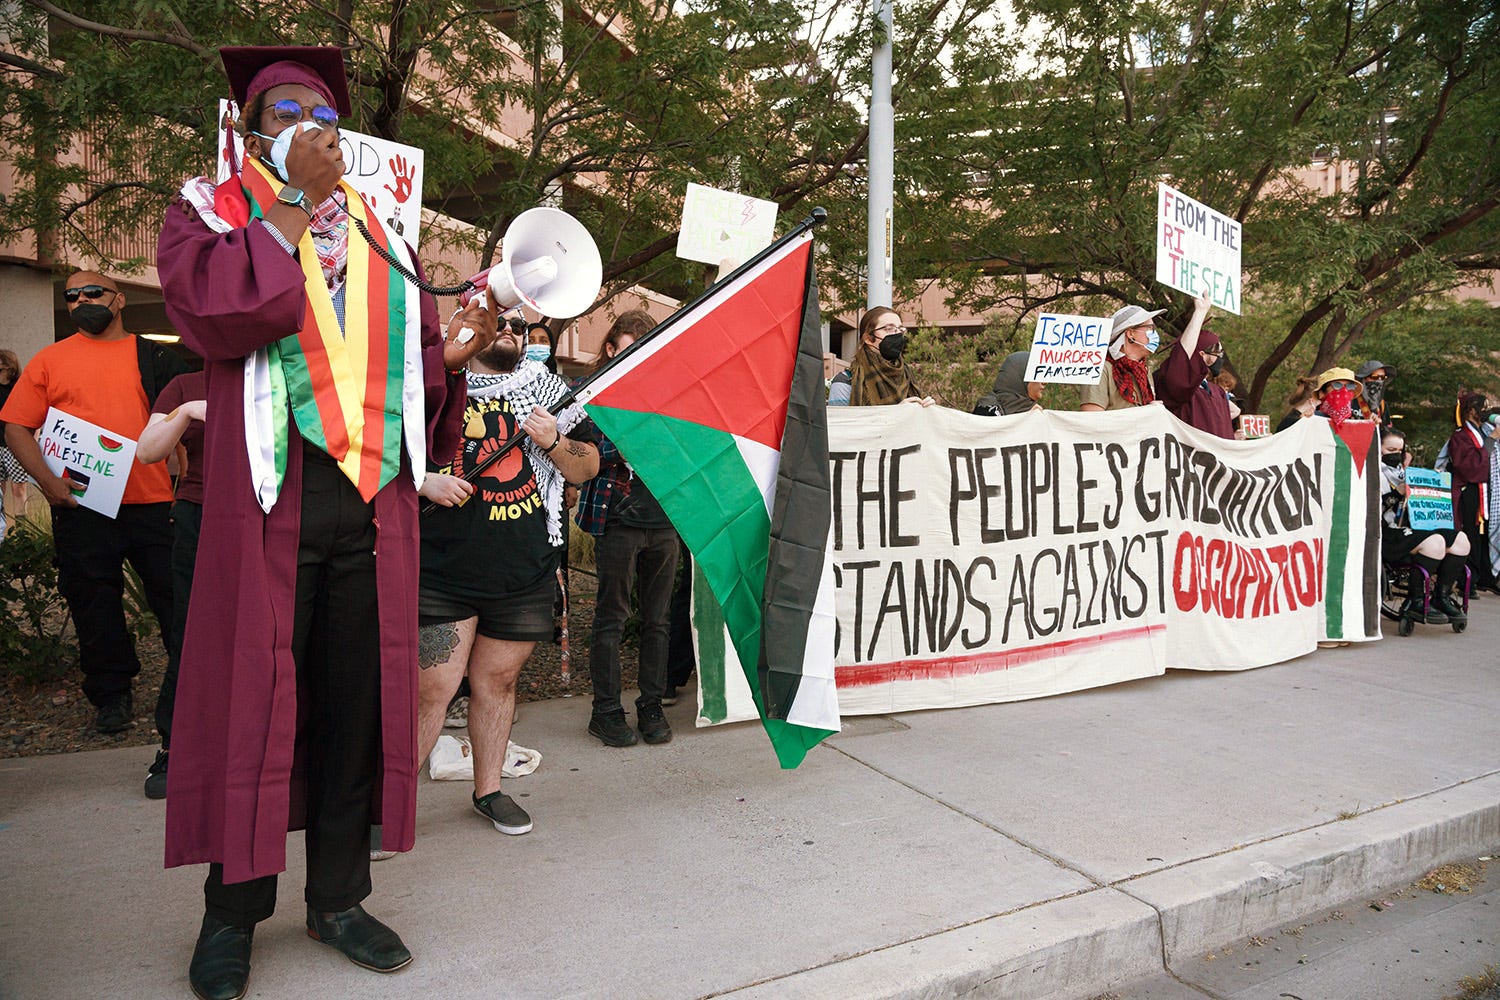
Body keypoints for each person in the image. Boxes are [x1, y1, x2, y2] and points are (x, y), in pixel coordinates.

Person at [156, 45, 491, 1000]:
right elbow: (225, 317)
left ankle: (338, 897)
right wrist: (293, 207)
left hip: (370, 505)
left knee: (355, 702)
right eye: (281, 111)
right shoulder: (209, 214)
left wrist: (454, 356)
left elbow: (414, 372)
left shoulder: (385, 236)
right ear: (249, 129)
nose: (305, 124)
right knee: (256, 705)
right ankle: (232, 915)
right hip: (267, 498)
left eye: (321, 114)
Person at [415, 306, 598, 835]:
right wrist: (425, 478)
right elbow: (388, 450)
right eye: (503, 322)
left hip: (522, 572)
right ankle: (390, 802)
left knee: (497, 682)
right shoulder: (434, 384)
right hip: (442, 570)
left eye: (521, 327)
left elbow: (586, 466)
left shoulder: (549, 391)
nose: (512, 332)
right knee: (435, 687)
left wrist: (553, 442)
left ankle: (489, 790)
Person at [0, 270, 183, 735]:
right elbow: (16, 427)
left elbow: (184, 427)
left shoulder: (155, 356)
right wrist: (46, 483)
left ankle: (191, 688)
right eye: (72, 296)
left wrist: (187, 492)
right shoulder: (49, 361)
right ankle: (111, 696)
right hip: (80, 507)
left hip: (153, 503)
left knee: (177, 601)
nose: (82, 301)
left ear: (119, 299)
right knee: (93, 604)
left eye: (93, 293)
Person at [577, 310, 681, 746]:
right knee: (611, 618)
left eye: (645, 346)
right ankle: (605, 711)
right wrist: (636, 434)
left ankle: (651, 706)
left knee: (658, 620)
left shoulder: (670, 394)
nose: (637, 355)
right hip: (616, 519)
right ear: (610, 348)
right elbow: (586, 451)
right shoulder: (593, 396)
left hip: (665, 521)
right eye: (628, 346)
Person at [134, 369, 207, 799]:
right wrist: (186, 412)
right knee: (191, 635)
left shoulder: (287, 369)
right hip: (201, 515)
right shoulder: (186, 385)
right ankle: (174, 746)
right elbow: (147, 451)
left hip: (274, 514)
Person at [1378, 428, 1469, 626]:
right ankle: (1415, 600)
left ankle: (1441, 596)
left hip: (1410, 525)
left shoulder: (1401, 471)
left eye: (1400, 450)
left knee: (1461, 540)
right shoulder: (1370, 471)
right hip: (1384, 532)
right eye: (1390, 449)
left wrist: (1430, 484)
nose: (1396, 454)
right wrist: (1397, 494)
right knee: (1435, 542)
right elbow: (1369, 509)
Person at [1152, 292, 1232, 438]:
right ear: (1201, 354)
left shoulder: (1218, 392)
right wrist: (1200, 313)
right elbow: (1181, 360)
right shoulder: (1177, 385)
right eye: (1217, 352)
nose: (1221, 357)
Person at [1445, 392, 1499, 594]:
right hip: (1469, 491)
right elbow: (1470, 467)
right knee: (1470, 534)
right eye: (1481, 407)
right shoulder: (1460, 436)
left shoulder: (1483, 432)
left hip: (1486, 491)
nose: (1485, 412)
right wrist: (1492, 439)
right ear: (1470, 410)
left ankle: (1486, 576)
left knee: (1483, 536)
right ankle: (1467, 579)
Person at [829, 307, 934, 407]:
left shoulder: (907, 378)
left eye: (900, 329)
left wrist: (927, 411)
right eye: (889, 329)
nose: (897, 334)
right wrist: (894, 414)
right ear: (869, 338)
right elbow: (841, 424)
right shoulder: (845, 382)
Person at [1080, 303, 1164, 411]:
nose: (1155, 333)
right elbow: (1091, 419)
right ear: (1130, 334)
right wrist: (1145, 413)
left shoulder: (1143, 370)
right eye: (1150, 328)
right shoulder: (1100, 369)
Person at [972, 351, 1044, 415]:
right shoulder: (987, 409)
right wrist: (1024, 420)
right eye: (1037, 375)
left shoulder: (1035, 411)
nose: (1044, 382)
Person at [1354, 360, 1395, 425]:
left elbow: (1387, 429)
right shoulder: (1350, 400)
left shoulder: (1382, 404)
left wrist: (1380, 424)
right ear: (1363, 379)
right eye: (1374, 376)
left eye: (1382, 377)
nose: (1379, 381)